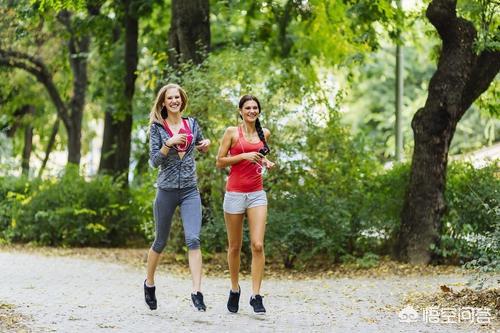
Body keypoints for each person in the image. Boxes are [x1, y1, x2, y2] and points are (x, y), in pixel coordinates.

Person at [144, 83, 210, 312]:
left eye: (177, 97)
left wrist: (205, 145)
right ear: (163, 102)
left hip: (190, 189)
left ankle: (197, 291)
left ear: (182, 100)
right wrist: (167, 145)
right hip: (167, 191)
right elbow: (153, 162)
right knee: (160, 241)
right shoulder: (157, 128)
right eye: (170, 98)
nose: (174, 101)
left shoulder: (191, 123)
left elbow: (201, 144)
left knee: (193, 239)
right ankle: (149, 283)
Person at [216, 95, 275, 314]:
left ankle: (256, 295)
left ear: (259, 111)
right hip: (234, 194)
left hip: (257, 194)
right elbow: (219, 161)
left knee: (258, 245)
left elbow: (260, 156)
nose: (251, 111)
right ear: (240, 110)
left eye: (255, 108)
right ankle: (234, 289)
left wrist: (265, 161)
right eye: (247, 107)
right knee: (234, 246)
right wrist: (243, 156)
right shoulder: (232, 132)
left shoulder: (265, 133)